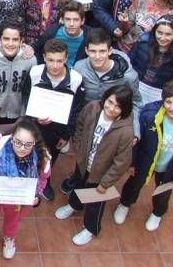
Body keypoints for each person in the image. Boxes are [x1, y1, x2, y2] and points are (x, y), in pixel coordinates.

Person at [113, 80, 173, 231]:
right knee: (133, 184)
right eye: (168, 102)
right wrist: (131, 163)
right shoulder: (149, 116)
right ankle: (125, 203)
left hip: (171, 168)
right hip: (144, 161)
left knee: (163, 192)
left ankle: (157, 213)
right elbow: (136, 139)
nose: (172, 107)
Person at [54, 86, 135, 245]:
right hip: (83, 163)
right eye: (110, 102)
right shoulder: (92, 108)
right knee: (78, 185)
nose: (111, 108)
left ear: (124, 109)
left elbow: (121, 163)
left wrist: (105, 184)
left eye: (117, 106)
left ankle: (91, 228)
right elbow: (80, 125)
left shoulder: (126, 132)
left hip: (101, 174)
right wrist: (78, 146)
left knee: (95, 203)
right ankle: (74, 205)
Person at [0, 117, 50, 259]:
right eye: (18, 142)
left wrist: (37, 194)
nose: (22, 148)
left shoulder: (42, 157)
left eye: (28, 144)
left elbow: (42, 178)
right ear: (11, 138)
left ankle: (9, 238)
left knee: (13, 218)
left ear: (35, 143)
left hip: (18, 199)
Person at [22, 38, 86, 201]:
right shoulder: (34, 72)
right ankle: (26, 180)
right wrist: (34, 117)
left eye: (59, 61)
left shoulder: (76, 79)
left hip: (59, 130)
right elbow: (26, 97)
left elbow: (76, 110)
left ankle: (45, 181)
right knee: (28, 153)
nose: (55, 65)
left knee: (51, 156)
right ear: (44, 57)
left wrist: (66, 135)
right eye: (51, 60)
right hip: (34, 126)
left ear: (66, 59)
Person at [0, 18, 36, 139]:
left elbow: (30, 92)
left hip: (15, 114)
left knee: (9, 150)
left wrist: (24, 114)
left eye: (15, 39)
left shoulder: (30, 60)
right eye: (6, 39)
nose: (10, 43)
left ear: (22, 40)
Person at [128, 14, 173, 104]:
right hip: (136, 83)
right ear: (155, 31)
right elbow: (129, 63)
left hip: (160, 92)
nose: (162, 38)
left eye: (168, 34)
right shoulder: (143, 42)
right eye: (160, 33)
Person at [30, 0, 90, 67]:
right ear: (62, 20)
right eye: (68, 19)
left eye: (76, 20)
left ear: (82, 21)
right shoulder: (52, 33)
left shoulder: (89, 36)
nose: (71, 24)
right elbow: (36, 49)